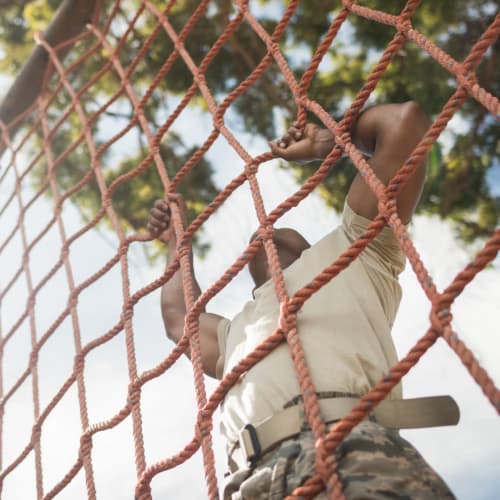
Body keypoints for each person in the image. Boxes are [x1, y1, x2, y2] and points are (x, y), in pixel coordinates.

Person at [147, 102, 458, 499]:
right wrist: (176, 240)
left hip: (359, 448)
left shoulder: (358, 252)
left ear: (308, 248)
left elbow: (405, 123)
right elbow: (179, 321)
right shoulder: (236, 331)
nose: (266, 233)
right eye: (257, 239)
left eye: (281, 231)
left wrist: (331, 141)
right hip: (252, 480)